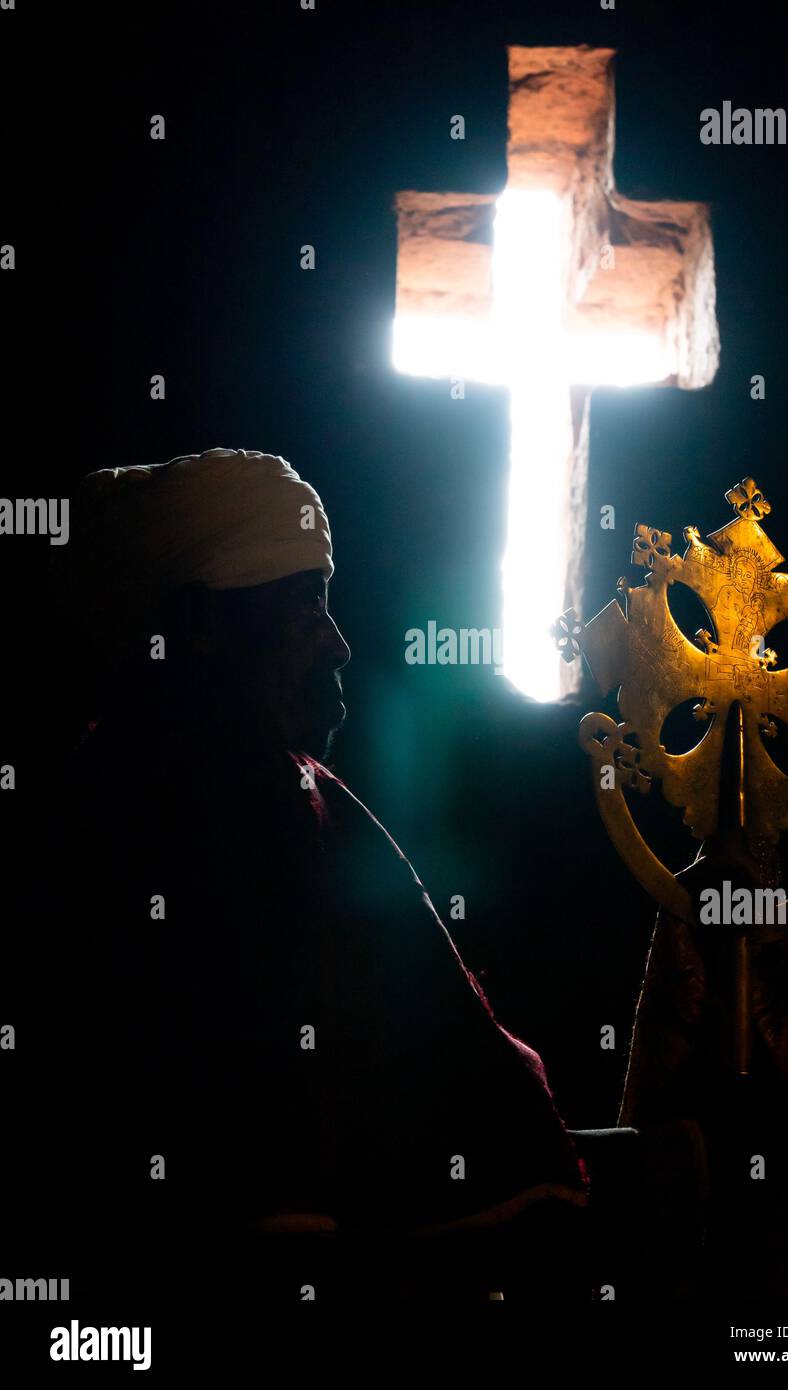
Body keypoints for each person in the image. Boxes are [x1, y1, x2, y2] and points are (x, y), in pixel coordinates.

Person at [12, 448, 590, 1301]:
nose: (340, 643)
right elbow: (267, 1117)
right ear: (206, 624)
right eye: (306, 603)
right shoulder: (220, 800)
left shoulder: (210, 778)